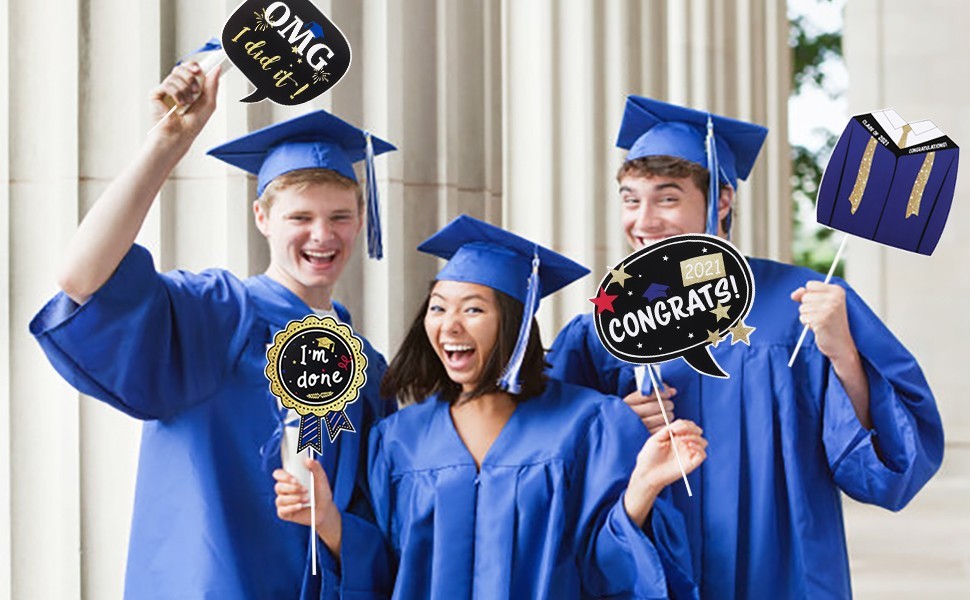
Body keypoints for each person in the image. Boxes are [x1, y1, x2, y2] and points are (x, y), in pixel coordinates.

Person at [546, 95, 944, 599]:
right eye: (630, 199)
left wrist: (844, 353)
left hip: (784, 570)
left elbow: (887, 467)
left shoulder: (801, 302)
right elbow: (549, 453)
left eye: (667, 198)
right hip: (660, 566)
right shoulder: (608, 327)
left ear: (723, 200)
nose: (643, 221)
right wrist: (617, 420)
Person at [29, 61, 396, 599]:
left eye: (339, 216)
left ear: (362, 221)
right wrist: (168, 142)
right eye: (300, 217)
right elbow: (82, 278)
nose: (323, 235)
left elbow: (374, 528)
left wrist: (330, 524)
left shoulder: (363, 364)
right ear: (262, 218)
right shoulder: (217, 313)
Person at [276, 214, 708, 599]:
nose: (450, 324)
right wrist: (328, 519)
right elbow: (385, 569)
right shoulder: (397, 439)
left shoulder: (589, 424)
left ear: (516, 327)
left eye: (474, 309)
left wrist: (643, 488)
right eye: (438, 308)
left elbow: (607, 568)